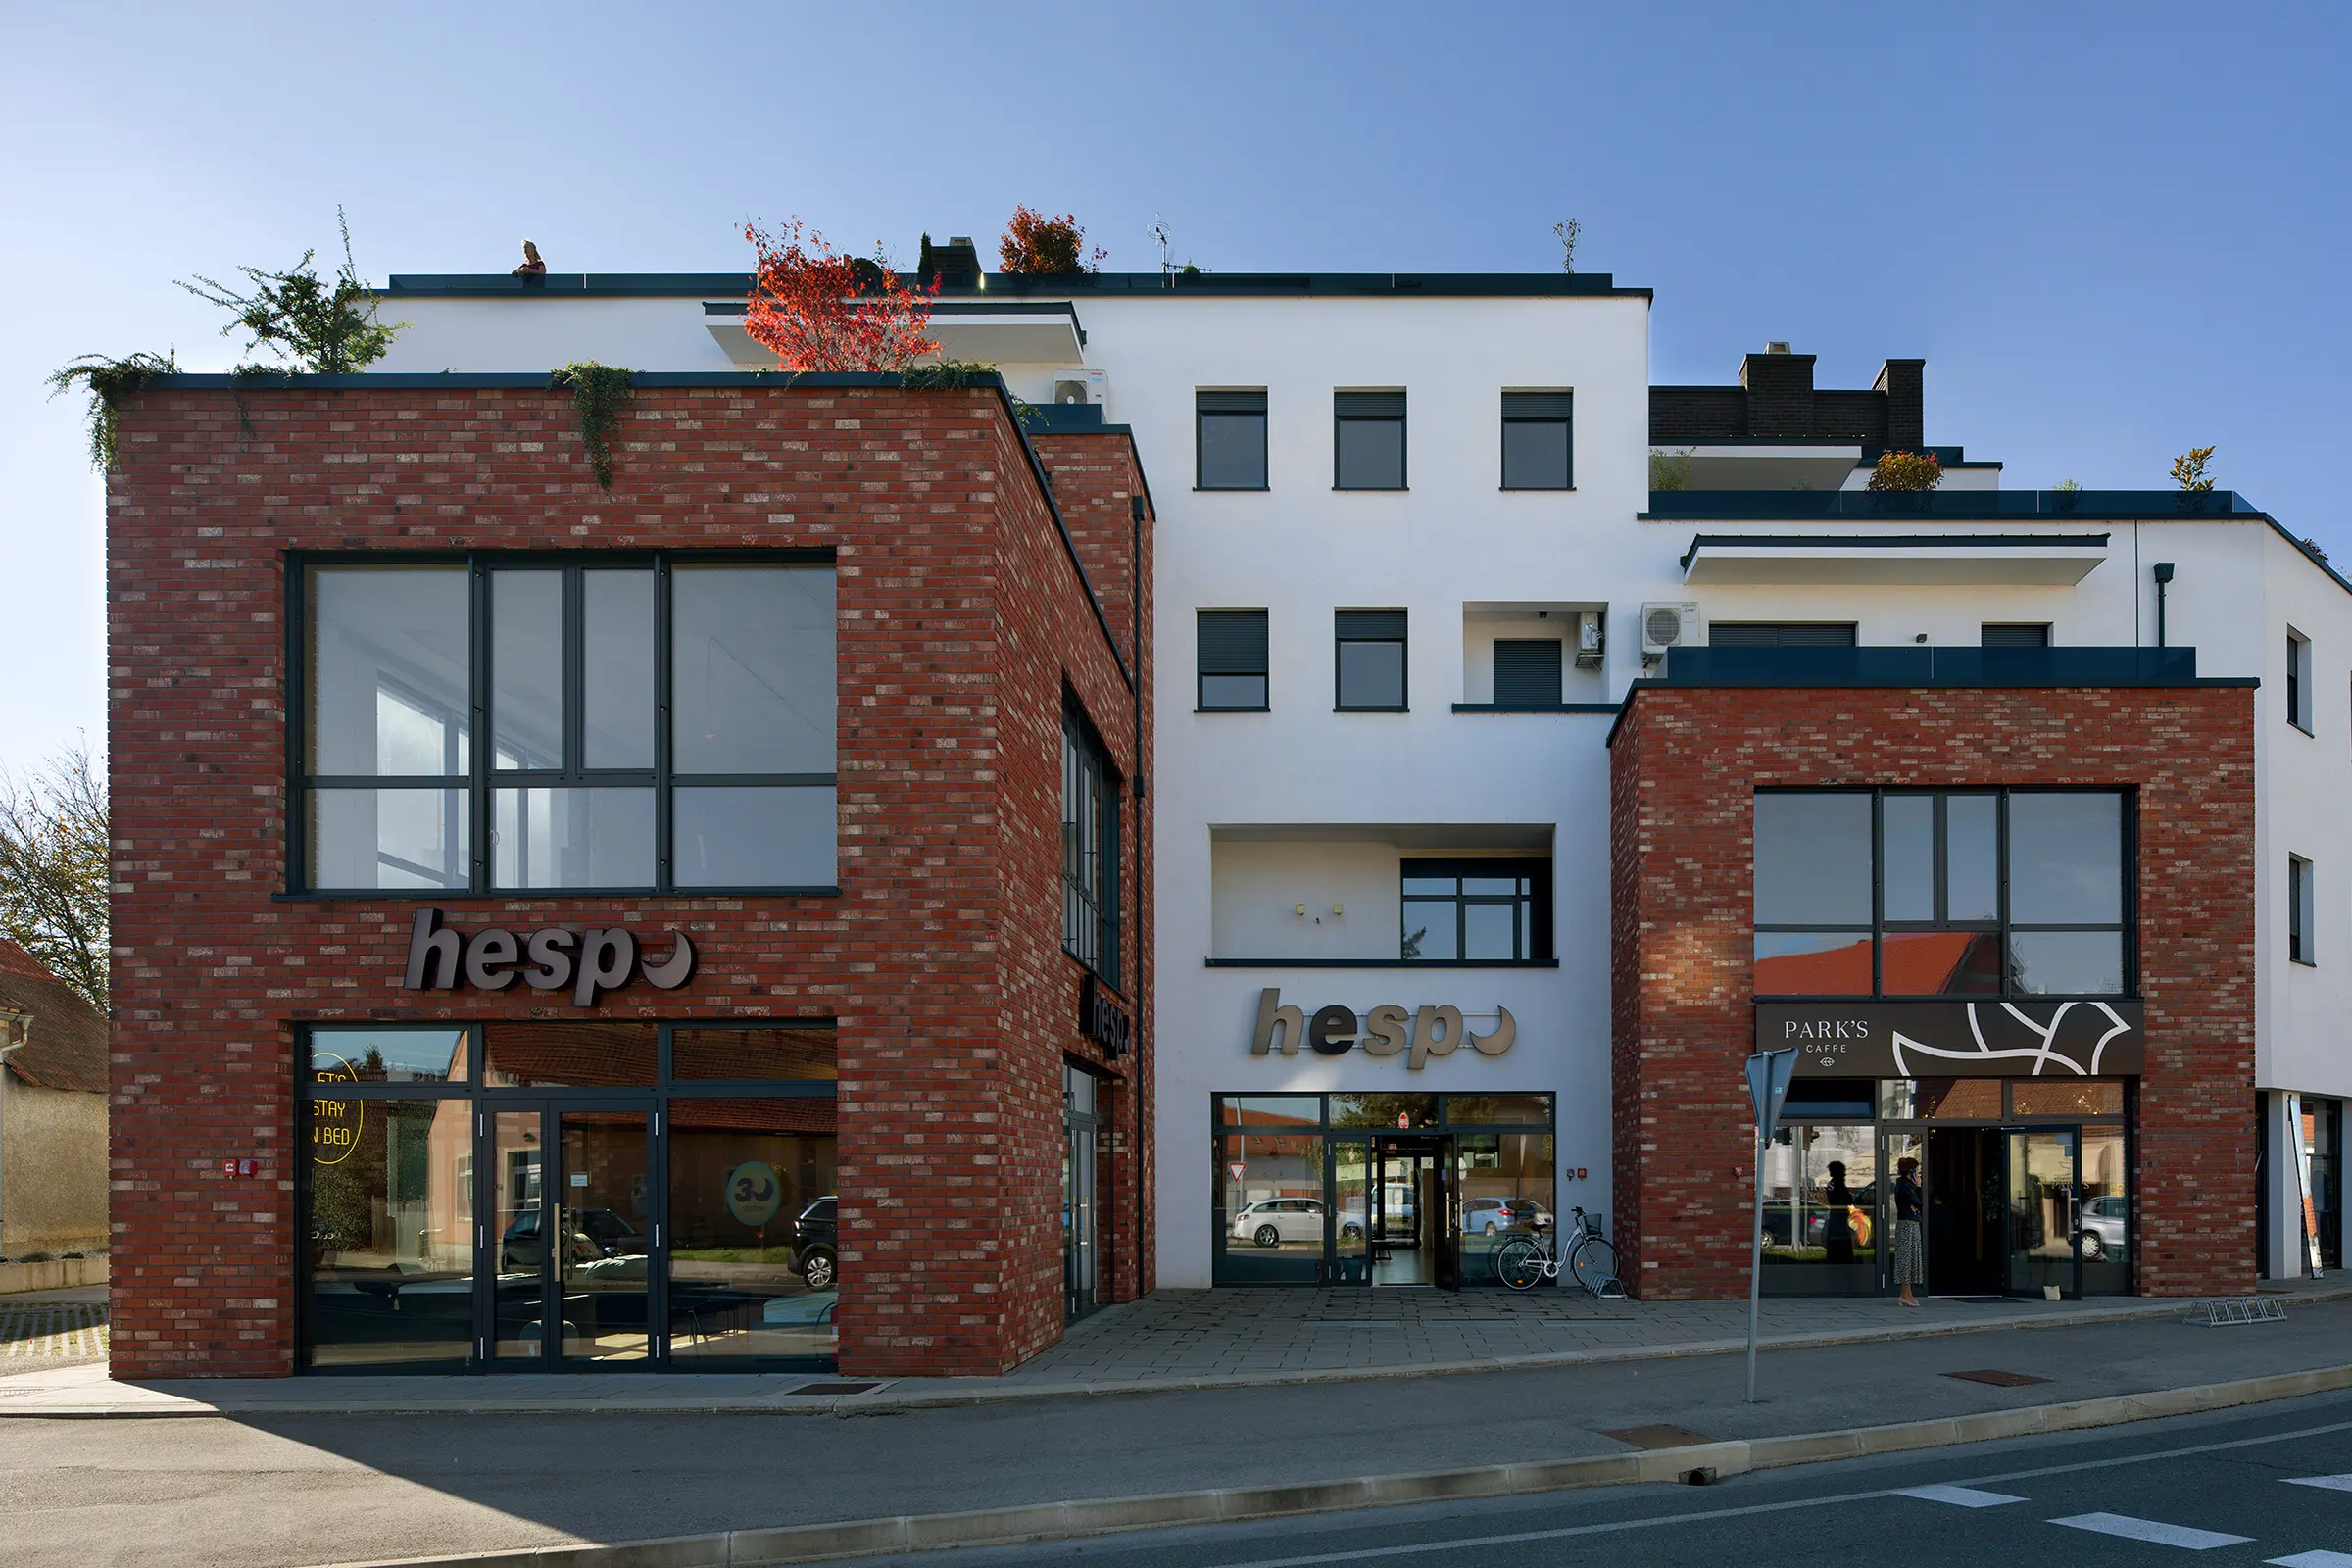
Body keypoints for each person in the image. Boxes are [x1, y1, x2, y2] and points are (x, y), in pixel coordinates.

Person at [1892, 1155, 1925, 1306]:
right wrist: (1918, 1187)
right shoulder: (1906, 1186)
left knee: (1910, 1258)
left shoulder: (1902, 1184)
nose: (1918, 1174)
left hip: (1909, 1223)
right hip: (1908, 1224)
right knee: (1907, 1259)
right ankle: (1904, 1295)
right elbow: (1919, 1202)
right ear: (1911, 1171)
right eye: (1916, 1170)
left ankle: (1908, 1293)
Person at [1823, 1160, 1855, 1266]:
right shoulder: (1838, 1185)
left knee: (1834, 1240)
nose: (1845, 1174)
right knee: (1842, 1241)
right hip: (1839, 1217)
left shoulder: (1831, 1184)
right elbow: (1847, 1199)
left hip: (1835, 1215)